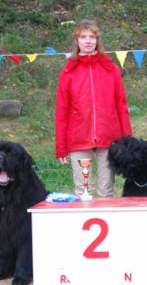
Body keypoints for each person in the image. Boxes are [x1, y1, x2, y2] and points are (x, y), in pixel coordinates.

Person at [55, 20, 132, 198]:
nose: (88, 41)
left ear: (97, 40)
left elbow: (121, 106)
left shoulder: (110, 69)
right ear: (77, 40)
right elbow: (62, 111)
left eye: (92, 37)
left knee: (106, 192)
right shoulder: (68, 73)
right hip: (79, 139)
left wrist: (127, 139)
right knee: (84, 193)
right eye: (83, 37)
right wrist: (61, 147)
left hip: (108, 137)